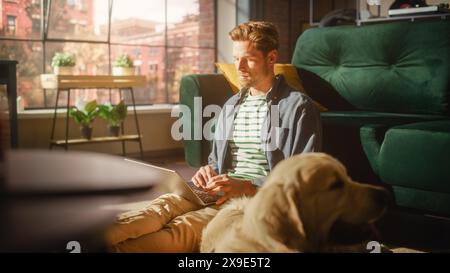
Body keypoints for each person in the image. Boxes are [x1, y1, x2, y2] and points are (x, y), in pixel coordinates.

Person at [107, 21, 322, 252]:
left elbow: (302, 182)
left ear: (271, 58)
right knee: (161, 206)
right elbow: (216, 162)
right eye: (235, 58)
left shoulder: (298, 107)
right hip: (219, 189)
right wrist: (207, 171)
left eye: (248, 59)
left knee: (181, 229)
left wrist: (249, 187)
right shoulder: (231, 106)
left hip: (254, 199)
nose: (239, 66)